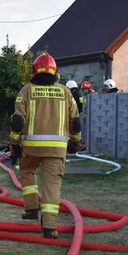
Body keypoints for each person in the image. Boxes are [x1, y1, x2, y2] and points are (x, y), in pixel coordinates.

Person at [9, 53, 82, 238]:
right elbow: (75, 121)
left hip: (31, 148)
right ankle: (50, 228)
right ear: (55, 72)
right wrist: (75, 141)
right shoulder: (66, 92)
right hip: (57, 149)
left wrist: (14, 143)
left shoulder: (26, 91)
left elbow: (17, 121)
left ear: (35, 71)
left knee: (27, 172)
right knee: (52, 186)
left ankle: (31, 209)